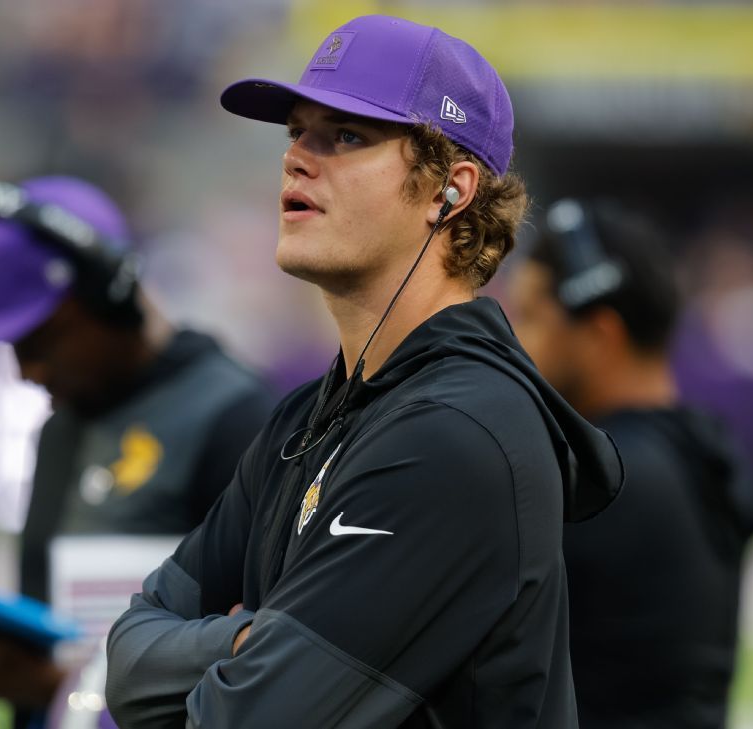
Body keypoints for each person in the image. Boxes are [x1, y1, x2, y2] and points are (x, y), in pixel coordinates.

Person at [102, 15, 624, 728]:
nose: (297, 158)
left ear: (451, 190)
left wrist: (233, 652)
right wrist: (245, 643)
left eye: (346, 136)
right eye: (296, 132)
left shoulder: (456, 433)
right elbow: (127, 663)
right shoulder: (306, 419)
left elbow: (244, 719)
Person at [0, 176, 273, 728]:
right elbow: (53, 632)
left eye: (39, 340)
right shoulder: (61, 425)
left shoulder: (237, 421)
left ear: (109, 295)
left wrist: (45, 686)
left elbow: (255, 666)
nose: (25, 371)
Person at [505, 198, 753, 728]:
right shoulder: (695, 449)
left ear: (599, 336)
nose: (512, 344)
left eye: (530, 318)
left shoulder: (605, 482)